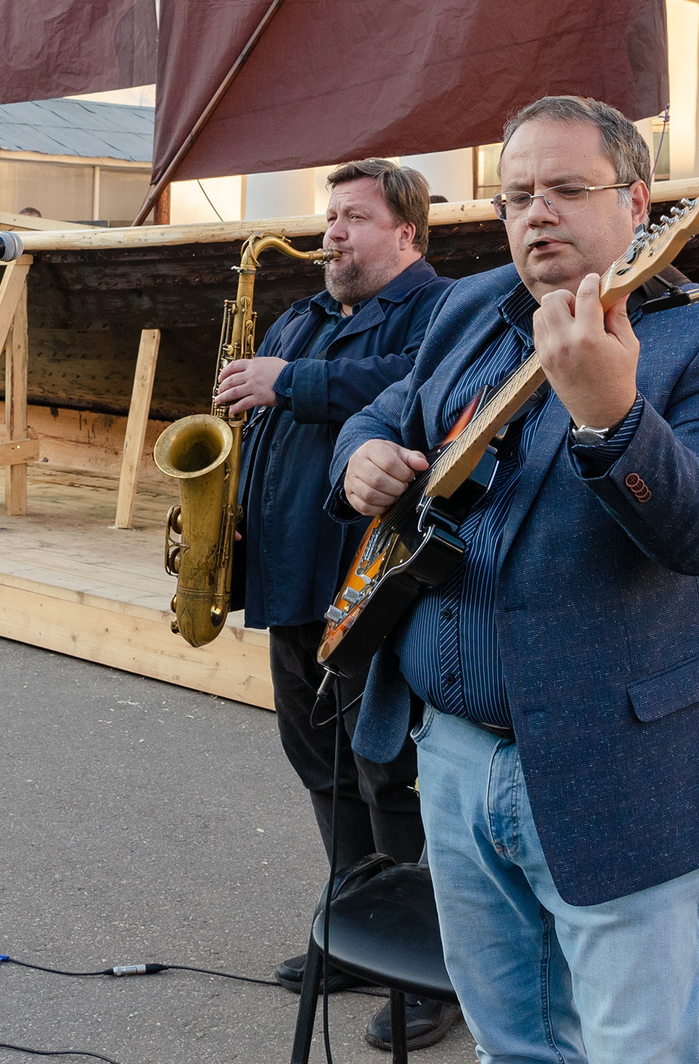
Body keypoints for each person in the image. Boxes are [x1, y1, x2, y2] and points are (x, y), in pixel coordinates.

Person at [332, 96, 699, 1063]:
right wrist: (361, 457)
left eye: (566, 189)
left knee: (638, 1052)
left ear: (637, 198)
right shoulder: (471, 305)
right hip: (452, 757)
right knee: (514, 1044)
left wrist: (611, 415)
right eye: (516, 196)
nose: (536, 213)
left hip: (617, 759)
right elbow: (386, 410)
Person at [214, 160, 456, 1048]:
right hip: (288, 577)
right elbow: (268, 423)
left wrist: (289, 382)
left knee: (386, 768)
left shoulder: (443, 310)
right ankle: (358, 931)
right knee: (317, 760)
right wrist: (232, 516)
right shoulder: (300, 316)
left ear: (408, 234)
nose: (333, 233)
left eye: (354, 217)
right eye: (331, 216)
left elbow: (422, 391)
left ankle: (431, 958)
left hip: (376, 583)